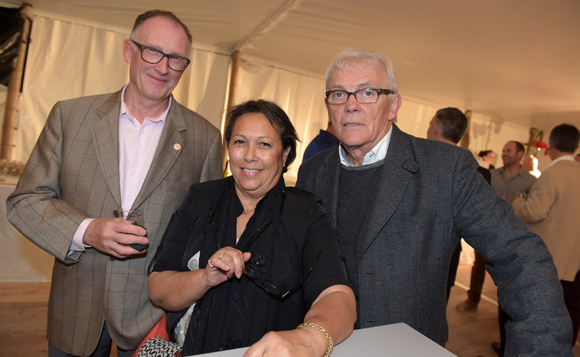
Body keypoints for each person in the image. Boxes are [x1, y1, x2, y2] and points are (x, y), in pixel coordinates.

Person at [296, 48, 572, 354]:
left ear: (393, 106)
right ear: (327, 105)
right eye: (338, 94)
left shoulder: (446, 169)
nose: (350, 105)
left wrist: (539, 348)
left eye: (368, 92)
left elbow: (519, 256)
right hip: (328, 346)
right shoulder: (312, 171)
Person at [6, 10, 222, 357]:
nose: (163, 67)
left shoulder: (205, 139)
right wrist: (87, 231)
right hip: (76, 308)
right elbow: (26, 201)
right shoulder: (70, 117)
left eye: (177, 59)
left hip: (152, 318)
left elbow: (205, 232)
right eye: (152, 51)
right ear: (128, 50)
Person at [148, 100, 356, 356]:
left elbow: (337, 296)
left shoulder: (306, 213)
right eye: (239, 142)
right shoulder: (201, 198)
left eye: (264, 144)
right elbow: (158, 289)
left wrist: (310, 339)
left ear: (286, 152)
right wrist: (205, 278)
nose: (249, 155)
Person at [513, 124, 580, 346]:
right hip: (574, 259)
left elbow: (534, 211)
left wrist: (518, 202)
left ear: (550, 145)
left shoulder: (553, 173)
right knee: (570, 312)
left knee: (540, 311)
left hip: (551, 258)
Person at [425, 107, 491, 302]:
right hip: (450, 255)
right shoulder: (479, 173)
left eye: (430, 125)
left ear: (435, 129)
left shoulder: (417, 164)